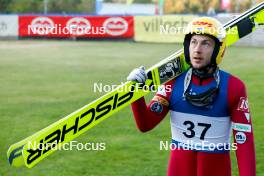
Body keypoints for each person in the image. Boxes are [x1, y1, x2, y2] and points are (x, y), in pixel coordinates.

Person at [127, 17, 256, 176]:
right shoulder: (172, 83)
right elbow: (145, 124)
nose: (197, 49)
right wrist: (136, 92)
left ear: (218, 49)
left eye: (205, 43)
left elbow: (244, 142)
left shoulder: (234, 87)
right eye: (193, 42)